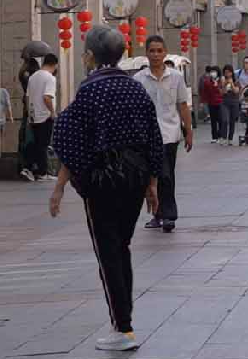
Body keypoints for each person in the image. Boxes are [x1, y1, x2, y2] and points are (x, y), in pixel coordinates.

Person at [49, 25, 164, 353]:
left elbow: (69, 139)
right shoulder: (136, 88)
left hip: (104, 181)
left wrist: (60, 186)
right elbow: (152, 138)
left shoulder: (90, 91)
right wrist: (152, 184)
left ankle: (123, 327)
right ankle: (123, 320)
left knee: (108, 251)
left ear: (89, 56)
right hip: (136, 178)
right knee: (122, 246)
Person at [136, 36, 193, 233]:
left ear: (165, 53)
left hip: (170, 134)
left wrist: (189, 131)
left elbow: (183, 105)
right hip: (147, 136)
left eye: (159, 51)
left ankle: (166, 215)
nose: (156, 55)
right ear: (147, 54)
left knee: (166, 175)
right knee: (155, 175)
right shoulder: (138, 79)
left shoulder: (176, 77)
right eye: (152, 51)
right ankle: (161, 214)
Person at [24, 52, 60, 181]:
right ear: (54, 65)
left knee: (39, 143)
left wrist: (30, 114)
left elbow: (27, 97)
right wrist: (52, 112)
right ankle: (41, 172)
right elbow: (47, 97)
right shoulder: (50, 78)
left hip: (34, 116)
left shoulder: (33, 77)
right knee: (43, 144)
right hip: (45, 115)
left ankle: (39, 170)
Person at [199, 66, 224, 143]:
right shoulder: (207, 82)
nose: (213, 73)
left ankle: (220, 136)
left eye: (214, 71)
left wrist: (217, 86)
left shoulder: (221, 81)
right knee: (213, 121)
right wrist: (202, 102)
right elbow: (204, 93)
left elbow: (222, 92)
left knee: (221, 120)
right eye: (212, 72)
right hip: (211, 103)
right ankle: (214, 137)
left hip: (220, 102)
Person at [220, 68, 242, 145]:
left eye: (229, 72)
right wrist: (225, 84)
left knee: (232, 121)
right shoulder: (222, 81)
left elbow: (236, 91)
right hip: (224, 103)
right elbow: (221, 93)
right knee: (225, 120)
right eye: (225, 72)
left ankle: (230, 138)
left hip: (234, 102)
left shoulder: (236, 81)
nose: (227, 74)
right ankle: (223, 137)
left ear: (232, 73)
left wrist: (232, 84)